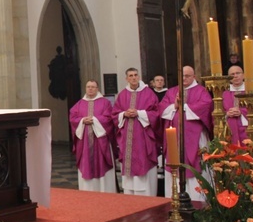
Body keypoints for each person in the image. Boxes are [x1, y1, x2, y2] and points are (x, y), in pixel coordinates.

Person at [159, 66, 213, 201]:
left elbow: (206, 106)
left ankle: (198, 201)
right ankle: (173, 201)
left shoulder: (201, 91)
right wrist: (174, 106)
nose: (184, 79)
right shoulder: (172, 91)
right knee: (174, 166)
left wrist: (184, 106)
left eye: (187, 76)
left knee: (195, 165)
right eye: (181, 76)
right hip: (174, 138)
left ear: (194, 76)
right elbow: (161, 108)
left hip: (195, 138)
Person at [112, 68, 160, 196]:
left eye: (135, 75)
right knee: (129, 164)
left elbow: (156, 113)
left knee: (143, 160)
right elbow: (114, 115)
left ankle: (146, 194)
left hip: (143, 136)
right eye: (130, 76)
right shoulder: (122, 95)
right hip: (127, 137)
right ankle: (129, 193)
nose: (133, 78)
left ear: (139, 77)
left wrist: (139, 113)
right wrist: (124, 114)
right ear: (126, 79)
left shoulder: (148, 93)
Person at [69, 80, 116, 193]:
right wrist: (82, 120)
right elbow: (72, 118)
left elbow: (109, 118)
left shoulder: (105, 103)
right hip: (85, 142)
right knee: (86, 162)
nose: (90, 89)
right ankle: (87, 191)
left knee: (102, 162)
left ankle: (105, 191)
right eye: (88, 87)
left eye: (93, 87)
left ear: (97, 89)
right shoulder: (79, 103)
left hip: (100, 141)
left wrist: (94, 120)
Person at [223, 65, 253, 159]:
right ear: (228, 78)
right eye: (232, 74)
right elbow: (215, 115)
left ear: (244, 75)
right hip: (230, 132)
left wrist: (242, 113)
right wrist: (226, 114)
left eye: (238, 73)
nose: (235, 76)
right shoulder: (223, 94)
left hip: (249, 131)